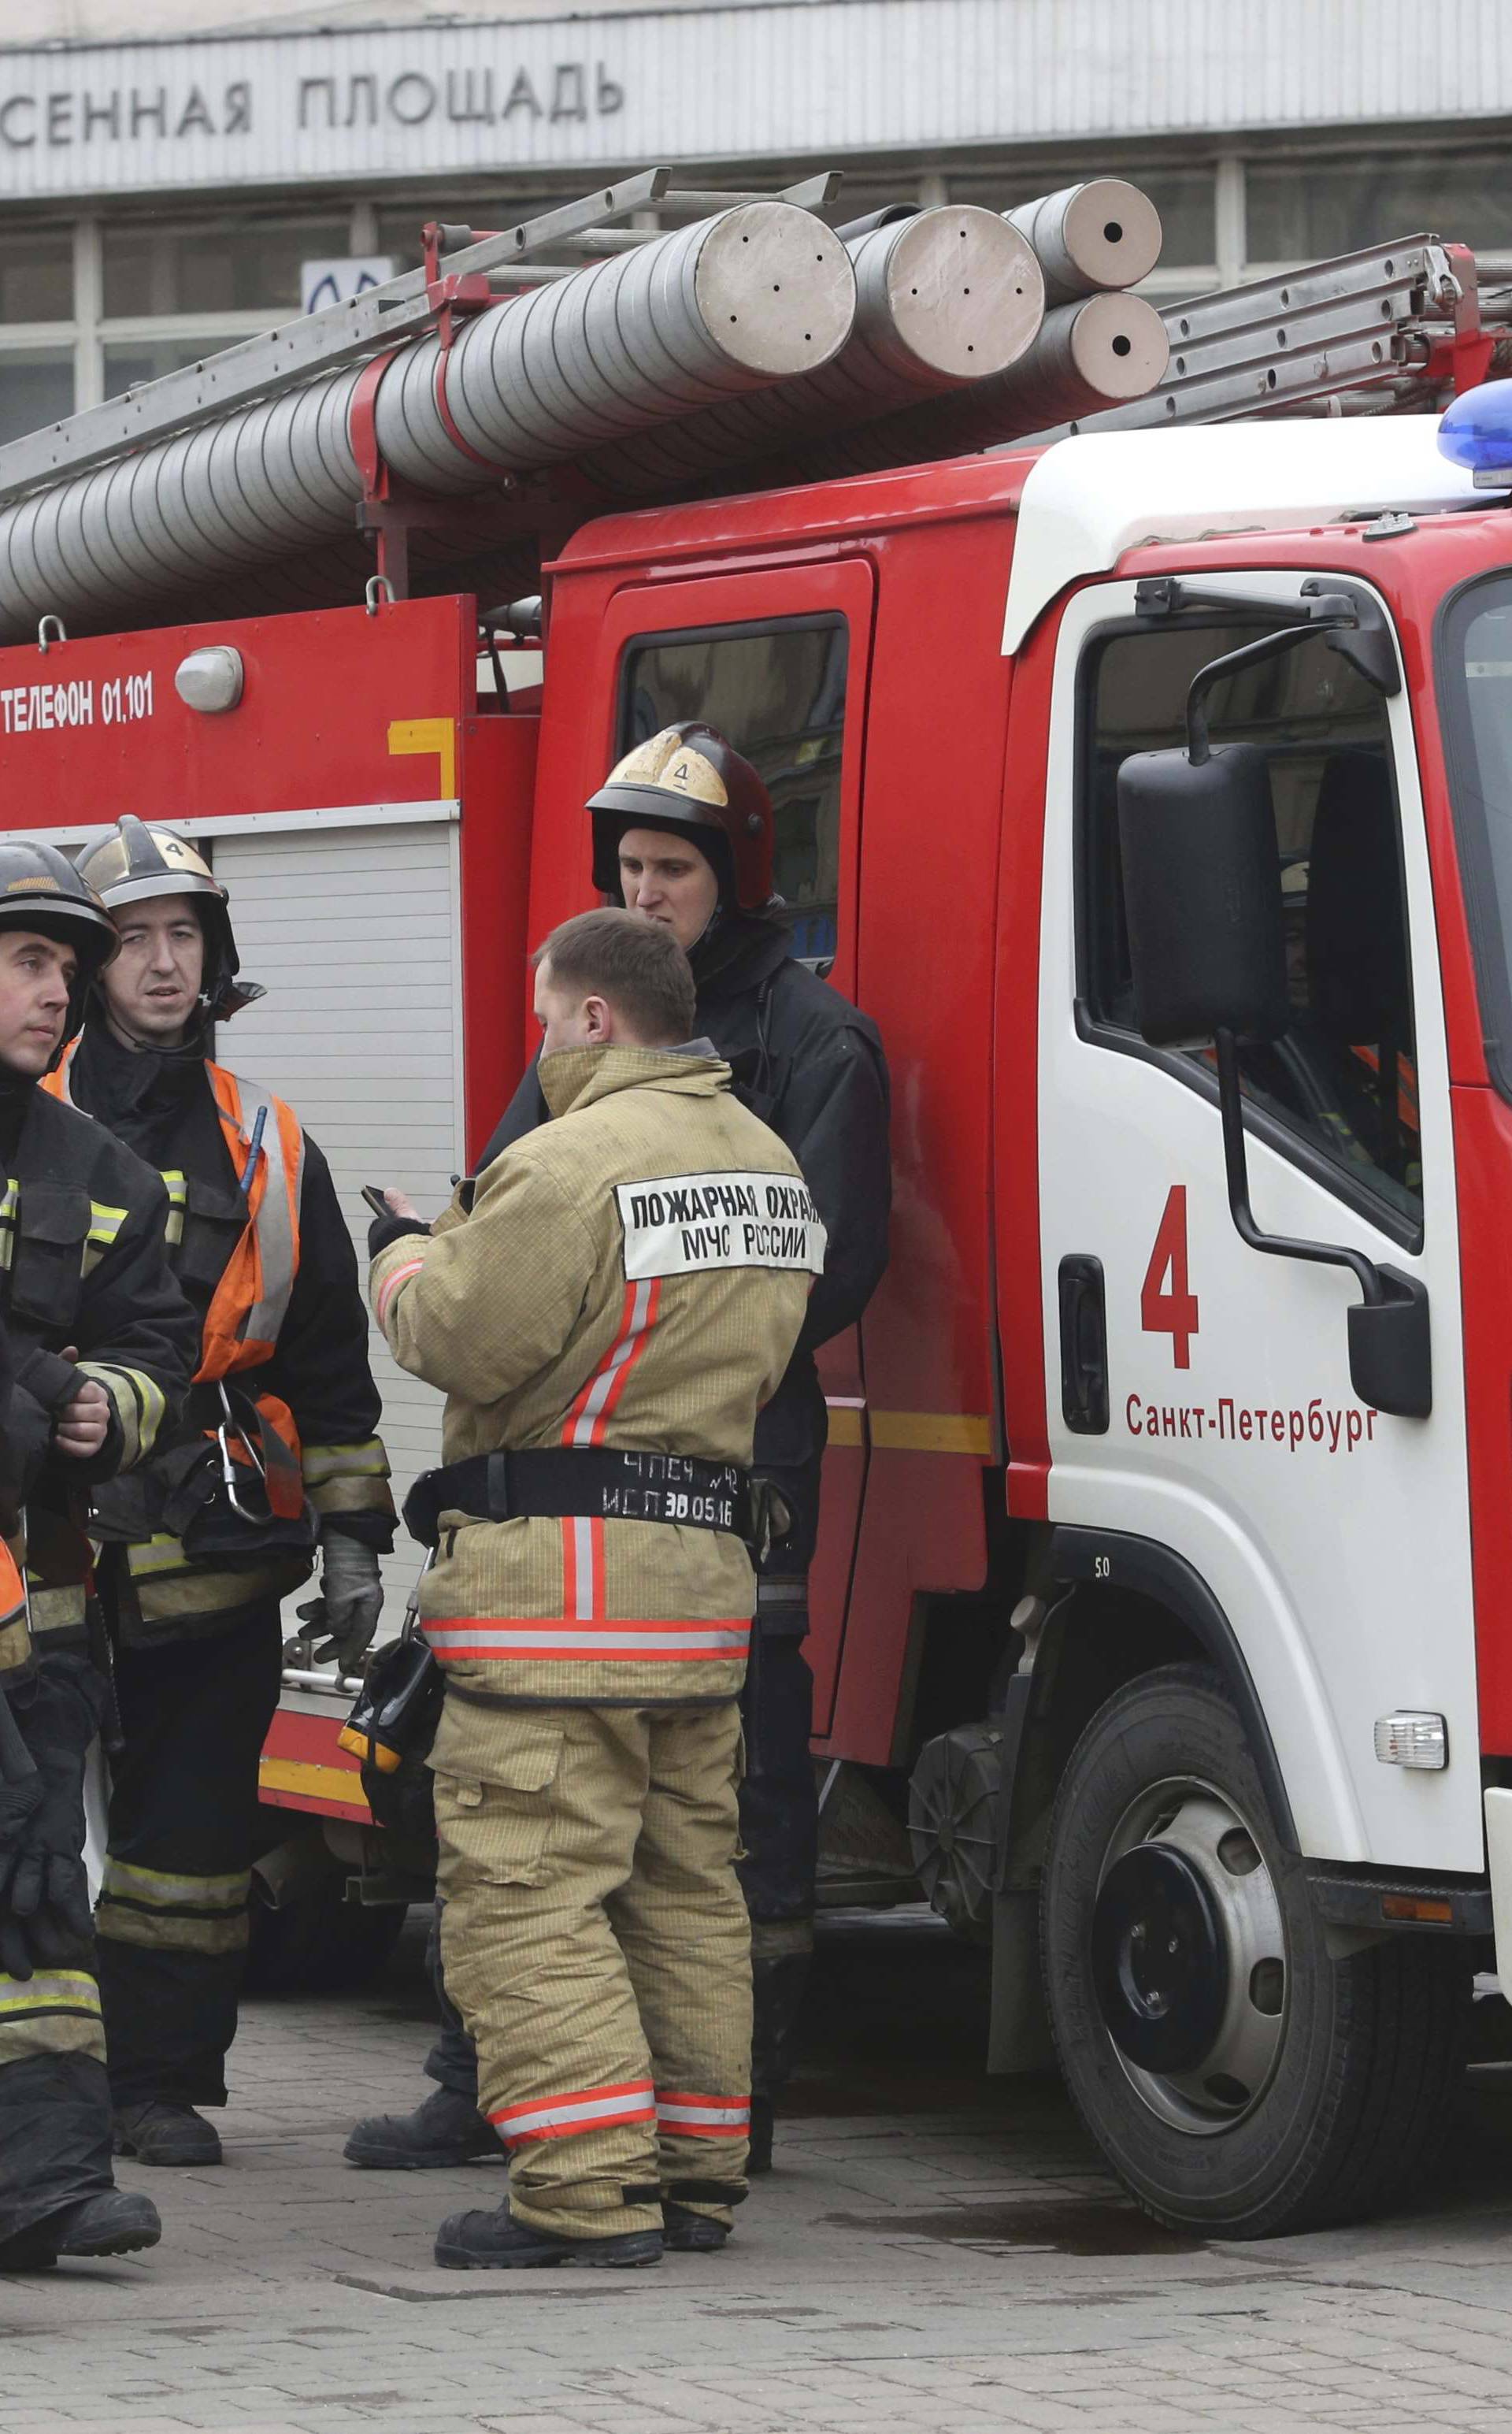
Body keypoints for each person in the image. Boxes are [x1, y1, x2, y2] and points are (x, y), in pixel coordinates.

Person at [348, 725, 889, 2179]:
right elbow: (513, 1210)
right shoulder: (622, 1073)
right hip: (674, 1517)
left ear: (737, 879)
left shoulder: (810, 1045)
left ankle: (671, 2136)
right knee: (664, 1861)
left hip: (686, 1495)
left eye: (674, 869)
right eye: (632, 867)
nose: (649, 892)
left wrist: (425, 1271)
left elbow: (506, 1285)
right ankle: (558, 2104)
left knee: (621, 1844)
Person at [367, 907, 821, 2269]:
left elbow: (463, 1335)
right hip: (697, 1598)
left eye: (545, 1016)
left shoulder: (564, 1166)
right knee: (686, 1886)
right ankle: (694, 2178)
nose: (542, 1044)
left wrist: (398, 1251)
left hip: (558, 1600)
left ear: (591, 1017)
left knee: (528, 1888)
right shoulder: (769, 1162)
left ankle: (583, 2190)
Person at [43, 817, 395, 2170]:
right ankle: (51, 2089)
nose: (162, 962)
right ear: (84, 962)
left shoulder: (264, 1134)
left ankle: (162, 2080)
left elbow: (327, 1356)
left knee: (189, 1836)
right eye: (133, 938)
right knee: (36, 1825)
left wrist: (358, 1538)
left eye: (184, 935)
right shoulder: (31, 1111)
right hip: (54, 1525)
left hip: (215, 1536)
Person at [0, 841, 198, 2269]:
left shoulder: (101, 1169)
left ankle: (50, 2181)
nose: (55, 991)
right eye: (27, 959)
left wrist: (102, 1405)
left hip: (41, 1589)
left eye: (64, 969)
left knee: (36, 1880)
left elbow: (156, 1349)